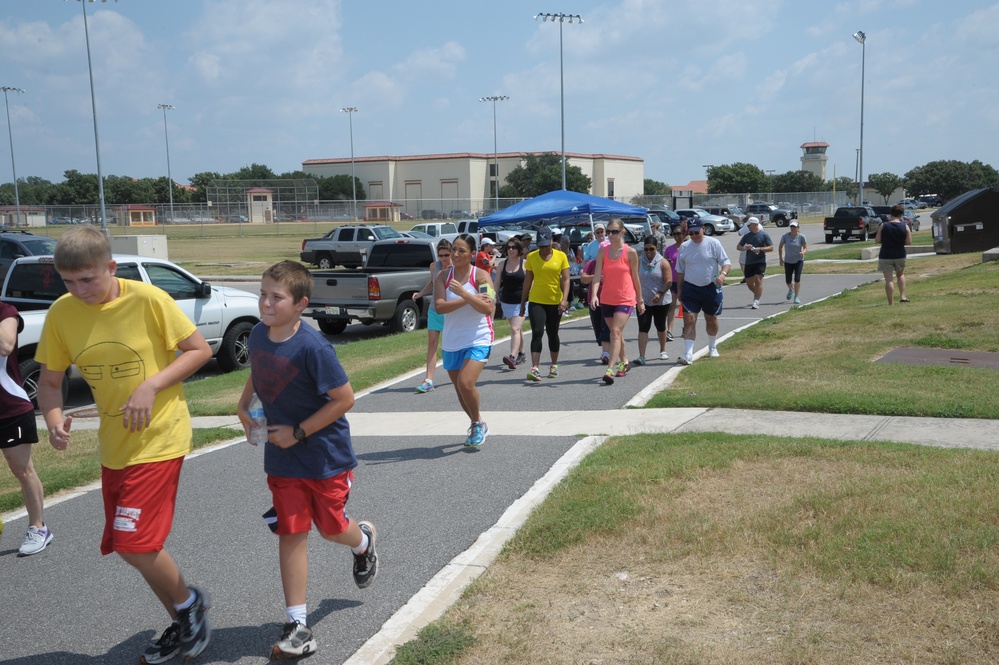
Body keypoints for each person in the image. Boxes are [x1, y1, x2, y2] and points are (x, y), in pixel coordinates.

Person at [36, 225, 214, 664]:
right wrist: (55, 419)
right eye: (69, 282)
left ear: (110, 267)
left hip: (160, 437)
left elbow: (198, 350)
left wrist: (151, 386)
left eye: (88, 279)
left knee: (134, 542)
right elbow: (51, 382)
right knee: (135, 548)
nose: (79, 290)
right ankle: (181, 619)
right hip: (114, 446)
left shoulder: (148, 299)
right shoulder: (63, 313)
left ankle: (191, 605)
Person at [237, 260, 378, 660]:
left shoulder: (314, 347)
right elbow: (258, 368)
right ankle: (297, 623)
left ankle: (363, 541)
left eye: (276, 297)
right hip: (281, 460)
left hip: (325, 457)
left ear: (301, 303)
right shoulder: (261, 334)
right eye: (263, 293)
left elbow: (344, 399)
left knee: (332, 529)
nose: (266, 302)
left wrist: (298, 431)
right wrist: (243, 404)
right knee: (291, 532)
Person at [1, 300, 51, 557]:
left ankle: (38, 527)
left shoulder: (6, 312)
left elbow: (6, 345)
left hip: (8, 406)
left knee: (21, 469)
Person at [435, 233, 495, 446]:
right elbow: (439, 307)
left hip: (478, 336)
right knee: (460, 389)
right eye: (454, 250)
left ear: (472, 254)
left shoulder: (481, 277)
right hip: (452, 340)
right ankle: (477, 422)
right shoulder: (442, 276)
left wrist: (464, 293)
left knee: (466, 382)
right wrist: (468, 299)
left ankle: (477, 424)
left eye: (461, 250)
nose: (456, 254)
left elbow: (487, 308)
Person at [590, 218, 644, 384]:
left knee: (615, 331)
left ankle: (610, 369)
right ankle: (625, 361)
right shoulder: (602, 252)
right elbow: (597, 276)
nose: (610, 235)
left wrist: (639, 300)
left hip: (625, 298)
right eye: (609, 231)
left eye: (614, 231)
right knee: (617, 335)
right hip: (607, 298)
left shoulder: (630, 252)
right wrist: (594, 294)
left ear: (622, 232)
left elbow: (636, 278)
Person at [675, 218, 731, 365]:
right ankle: (688, 353)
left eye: (696, 232)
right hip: (690, 288)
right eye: (691, 233)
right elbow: (680, 271)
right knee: (689, 319)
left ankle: (712, 346)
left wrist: (722, 275)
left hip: (710, 287)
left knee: (711, 319)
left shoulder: (713, 243)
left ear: (704, 229)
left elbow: (726, 263)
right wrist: (679, 289)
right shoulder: (685, 247)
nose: (693, 236)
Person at [520, 226, 570, 382]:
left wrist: (564, 299)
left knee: (552, 333)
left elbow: (566, 279)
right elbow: (527, 281)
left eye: (546, 245)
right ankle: (535, 368)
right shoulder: (532, 257)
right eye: (540, 246)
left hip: (555, 301)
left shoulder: (561, 256)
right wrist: (523, 303)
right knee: (537, 332)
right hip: (536, 300)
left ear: (551, 241)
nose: (543, 249)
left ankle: (554, 365)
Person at [412, 239, 452, 393]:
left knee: (453, 346)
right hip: (435, 310)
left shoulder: (456, 268)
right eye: (441, 255)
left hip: (451, 312)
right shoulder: (434, 266)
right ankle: (429, 380)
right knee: (432, 344)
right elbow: (432, 283)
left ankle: (463, 374)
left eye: (446, 255)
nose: (443, 258)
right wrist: (421, 293)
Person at [633, 235, 672, 365]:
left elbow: (668, 281)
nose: (649, 252)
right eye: (646, 249)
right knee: (643, 327)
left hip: (661, 300)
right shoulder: (639, 261)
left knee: (660, 325)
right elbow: (634, 279)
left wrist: (660, 294)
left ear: (656, 248)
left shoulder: (663, 262)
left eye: (652, 249)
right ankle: (641, 356)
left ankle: (663, 350)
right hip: (644, 300)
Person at [494, 237, 527, 368]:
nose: (511, 250)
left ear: (518, 249)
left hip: (522, 301)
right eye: (509, 247)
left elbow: (531, 281)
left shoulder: (524, 263)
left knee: (515, 328)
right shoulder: (502, 264)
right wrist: (494, 295)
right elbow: (497, 282)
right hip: (507, 301)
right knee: (517, 330)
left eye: (513, 247)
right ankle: (522, 352)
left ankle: (512, 356)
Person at [875, 204, 913, 305]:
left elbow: (877, 240)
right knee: (900, 275)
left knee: (889, 280)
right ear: (901, 214)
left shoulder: (884, 225)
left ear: (891, 213)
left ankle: (891, 302)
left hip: (885, 254)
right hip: (900, 254)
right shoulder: (905, 226)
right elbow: (909, 242)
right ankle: (903, 296)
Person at [580, 254, 611, 364]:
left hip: (609, 300)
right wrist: (595, 277)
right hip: (594, 300)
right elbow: (583, 278)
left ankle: (606, 353)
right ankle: (607, 349)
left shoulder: (613, 263)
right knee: (597, 328)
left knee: (605, 327)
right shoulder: (592, 263)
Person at [736, 217, 773, 310]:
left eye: (749, 225)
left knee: (758, 280)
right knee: (749, 283)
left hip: (760, 261)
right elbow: (738, 246)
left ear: (755, 224)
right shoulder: (747, 236)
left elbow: (771, 247)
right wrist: (745, 248)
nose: (748, 226)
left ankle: (756, 300)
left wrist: (760, 249)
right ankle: (757, 294)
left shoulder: (764, 235)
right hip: (749, 261)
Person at [664, 222, 686, 342]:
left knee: (686, 306)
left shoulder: (687, 247)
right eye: (674, 234)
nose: (676, 236)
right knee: (671, 306)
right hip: (672, 281)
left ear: (683, 234)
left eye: (678, 233)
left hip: (685, 280)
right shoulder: (669, 249)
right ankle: (670, 331)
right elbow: (664, 264)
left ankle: (686, 327)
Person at [778, 220, 808, 305]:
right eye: (791, 227)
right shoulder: (785, 236)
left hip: (799, 260)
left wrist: (803, 252)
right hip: (788, 260)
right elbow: (780, 247)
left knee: (797, 279)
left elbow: (806, 247)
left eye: (794, 227)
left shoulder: (801, 237)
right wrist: (780, 258)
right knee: (788, 280)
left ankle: (796, 296)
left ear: (798, 228)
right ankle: (791, 289)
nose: (792, 228)